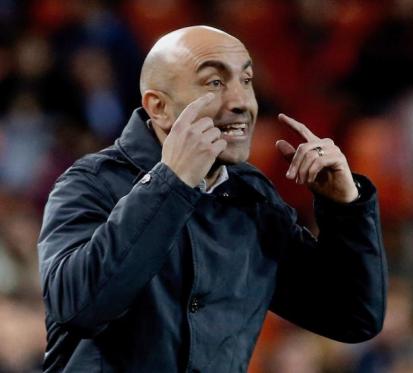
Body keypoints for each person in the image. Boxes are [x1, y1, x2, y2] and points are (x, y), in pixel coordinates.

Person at [37, 25, 387, 372]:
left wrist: (346, 209)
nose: (240, 102)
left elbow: (353, 317)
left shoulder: (253, 199)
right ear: (158, 107)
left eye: (246, 81)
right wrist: (170, 183)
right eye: (215, 83)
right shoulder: (90, 183)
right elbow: (78, 308)